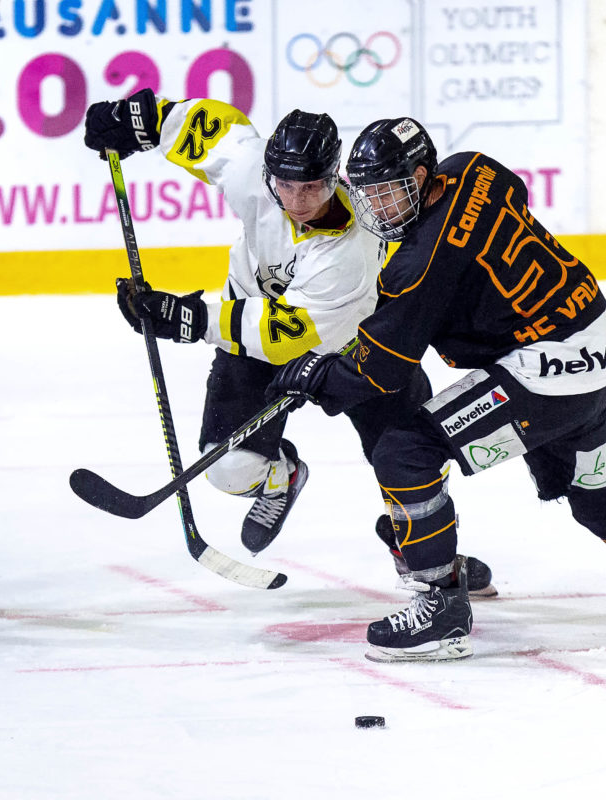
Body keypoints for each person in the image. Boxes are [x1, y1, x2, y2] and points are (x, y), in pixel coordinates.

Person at [268, 116, 606, 663]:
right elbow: (503, 207)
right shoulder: (475, 169)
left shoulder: (419, 262)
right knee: (596, 492)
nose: (378, 210)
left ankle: (440, 608)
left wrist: (317, 375)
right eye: (370, 195)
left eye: (390, 193)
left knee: (406, 448)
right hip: (596, 342)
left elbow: (380, 371)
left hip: (544, 373)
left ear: (423, 177)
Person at [82, 92, 496, 594]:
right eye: (285, 185)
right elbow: (206, 127)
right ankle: (283, 476)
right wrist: (141, 120)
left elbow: (283, 335)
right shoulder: (251, 173)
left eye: (312, 187)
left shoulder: (352, 250)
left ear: (333, 176)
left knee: (410, 456)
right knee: (229, 470)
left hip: (359, 348)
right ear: (269, 176)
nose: (297, 200)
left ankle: (424, 556)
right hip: (254, 323)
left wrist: (188, 319)